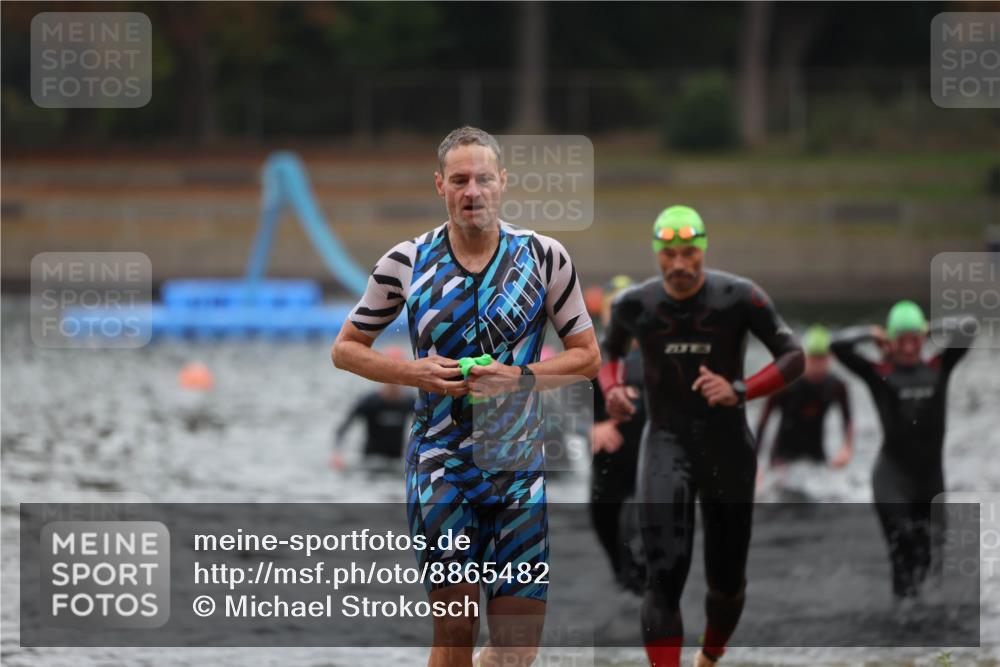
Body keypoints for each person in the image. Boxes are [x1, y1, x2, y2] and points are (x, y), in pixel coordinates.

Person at [331, 126, 601, 667]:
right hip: (440, 464)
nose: (471, 191)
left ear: (502, 183)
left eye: (482, 179)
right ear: (440, 186)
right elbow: (345, 349)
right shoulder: (406, 262)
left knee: (515, 651)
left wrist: (519, 377)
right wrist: (414, 373)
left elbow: (587, 357)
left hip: (518, 466)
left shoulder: (545, 257)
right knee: (455, 633)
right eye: (459, 180)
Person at [599, 205, 804, 667]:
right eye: (669, 254)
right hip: (666, 443)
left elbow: (793, 357)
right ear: (656, 254)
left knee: (727, 582)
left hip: (727, 446)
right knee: (663, 574)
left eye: (689, 253)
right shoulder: (635, 304)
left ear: (703, 250)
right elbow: (608, 352)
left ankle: (710, 657)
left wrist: (742, 390)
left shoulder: (740, 298)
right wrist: (612, 390)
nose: (679, 265)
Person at [830, 301, 974, 601]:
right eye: (901, 340)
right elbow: (837, 345)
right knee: (904, 547)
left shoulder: (939, 366)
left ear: (922, 339)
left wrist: (931, 327)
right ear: (890, 342)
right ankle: (901, 619)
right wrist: (870, 332)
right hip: (892, 480)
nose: (909, 348)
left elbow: (969, 326)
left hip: (931, 482)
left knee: (931, 558)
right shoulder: (879, 373)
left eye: (915, 339)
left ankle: (919, 624)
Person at [590, 275, 645, 594]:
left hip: (647, 461)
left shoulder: (656, 357)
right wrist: (593, 427)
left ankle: (646, 588)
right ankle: (625, 582)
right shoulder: (592, 356)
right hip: (608, 464)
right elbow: (563, 408)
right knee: (605, 526)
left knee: (637, 530)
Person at [755, 325, 854, 470]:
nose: (818, 364)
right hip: (782, 458)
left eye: (823, 358)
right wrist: (756, 466)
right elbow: (763, 422)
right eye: (814, 358)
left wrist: (846, 449)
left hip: (816, 455)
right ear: (804, 357)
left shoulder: (836, 386)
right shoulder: (785, 385)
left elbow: (848, 420)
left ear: (830, 358)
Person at [330, 346, 416, 471]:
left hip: (395, 465)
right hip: (369, 465)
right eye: (391, 370)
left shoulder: (409, 402)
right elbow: (342, 429)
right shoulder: (369, 402)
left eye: (399, 370)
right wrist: (337, 455)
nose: (394, 377)